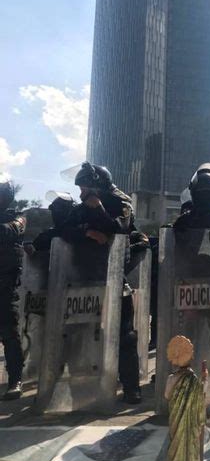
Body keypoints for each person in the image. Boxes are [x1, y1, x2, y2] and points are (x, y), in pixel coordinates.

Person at [67, 162, 142, 404]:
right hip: (85, 277)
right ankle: (84, 382)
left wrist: (98, 211)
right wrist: (87, 232)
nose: (81, 193)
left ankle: (131, 387)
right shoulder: (81, 207)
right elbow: (63, 229)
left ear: (97, 187)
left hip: (114, 275)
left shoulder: (121, 202)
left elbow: (120, 228)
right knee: (81, 332)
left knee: (126, 335)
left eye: (84, 188)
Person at [0, 175, 26, 399]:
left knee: (9, 334)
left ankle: (15, 379)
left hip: (4, 287)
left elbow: (8, 232)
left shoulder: (17, 218)